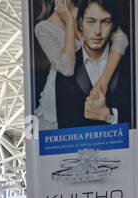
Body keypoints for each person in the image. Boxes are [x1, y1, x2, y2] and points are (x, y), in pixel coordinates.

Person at [33, 0, 128, 130]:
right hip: (59, 99)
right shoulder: (43, 28)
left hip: (91, 91)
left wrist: (103, 83)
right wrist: (70, 23)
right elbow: (67, 68)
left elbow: (121, 39)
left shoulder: (88, 10)